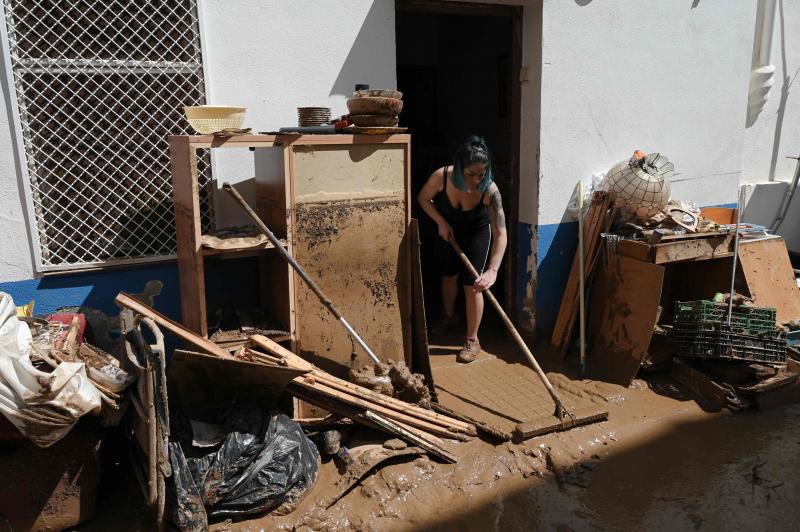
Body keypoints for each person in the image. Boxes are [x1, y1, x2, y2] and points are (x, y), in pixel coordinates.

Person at [417, 136, 507, 363]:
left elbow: (500, 233)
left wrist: (493, 271)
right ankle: (449, 317)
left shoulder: (490, 191)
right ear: (458, 167)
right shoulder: (442, 177)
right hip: (448, 231)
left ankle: (472, 339)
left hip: (476, 233)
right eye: (471, 174)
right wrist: (441, 222)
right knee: (448, 276)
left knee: (473, 285)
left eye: (481, 174)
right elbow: (424, 199)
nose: (477, 180)